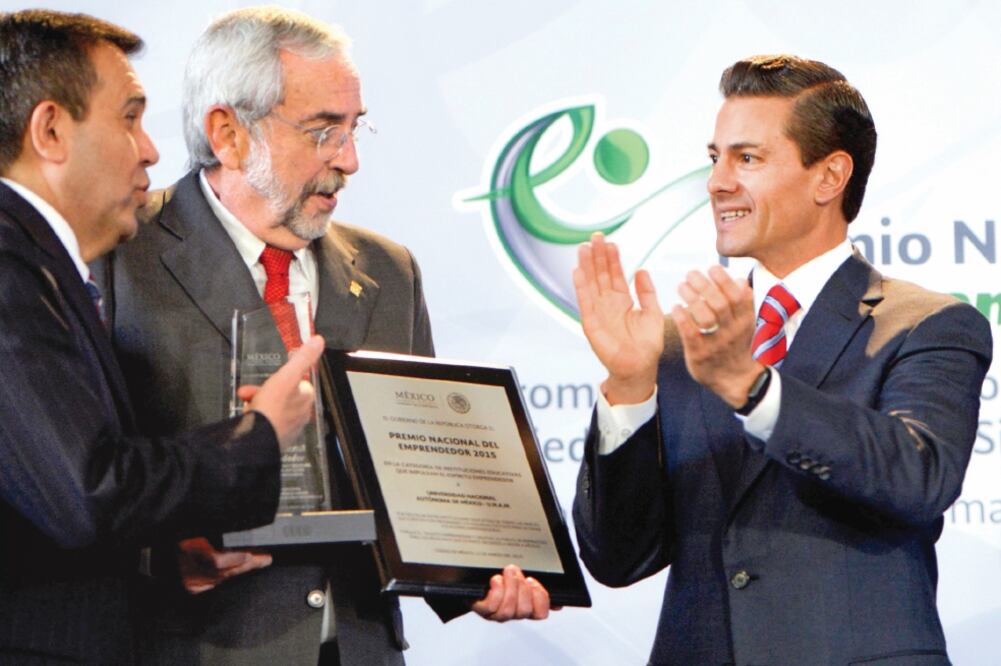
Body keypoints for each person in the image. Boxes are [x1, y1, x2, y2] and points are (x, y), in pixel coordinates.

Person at [95, 7, 549, 665]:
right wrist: (158, 555)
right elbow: (78, 481)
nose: (351, 160)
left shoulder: (389, 271)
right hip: (199, 646)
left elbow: (416, 475)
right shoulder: (119, 256)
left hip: (360, 646)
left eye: (354, 128)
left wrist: (476, 576)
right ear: (228, 133)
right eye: (323, 131)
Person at [572, 54, 992, 665]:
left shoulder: (928, 324)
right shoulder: (680, 341)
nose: (716, 183)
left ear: (829, 177)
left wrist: (751, 387)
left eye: (747, 158)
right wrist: (631, 385)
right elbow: (617, 558)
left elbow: (918, 476)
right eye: (714, 158)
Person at [0, 10, 325, 664]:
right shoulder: (9, 266)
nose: (149, 149)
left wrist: (165, 550)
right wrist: (260, 432)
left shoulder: (40, 266)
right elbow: (91, 494)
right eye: (128, 117)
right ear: (52, 130)